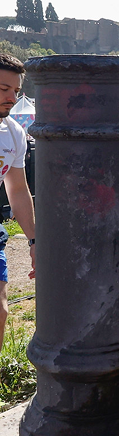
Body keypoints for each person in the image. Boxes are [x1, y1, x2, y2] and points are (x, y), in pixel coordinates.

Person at [0, 54, 36, 350]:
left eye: (15, 91)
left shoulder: (14, 133)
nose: (11, 98)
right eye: (3, 90)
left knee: (0, 312)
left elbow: (18, 191)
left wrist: (35, 241)